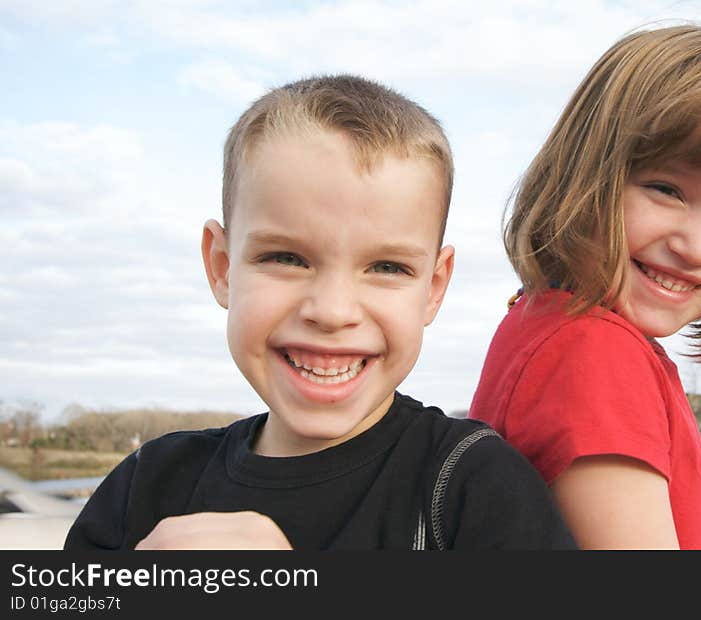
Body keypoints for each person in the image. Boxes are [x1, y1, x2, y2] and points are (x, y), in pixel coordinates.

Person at [64, 75, 575, 551]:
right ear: (221, 266)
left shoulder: (473, 486)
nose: (332, 312)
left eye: (387, 267)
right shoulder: (145, 485)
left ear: (433, 288)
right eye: (285, 258)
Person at [469, 24, 701, 550]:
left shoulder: (552, 324)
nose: (697, 248)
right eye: (666, 189)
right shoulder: (593, 350)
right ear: (584, 176)